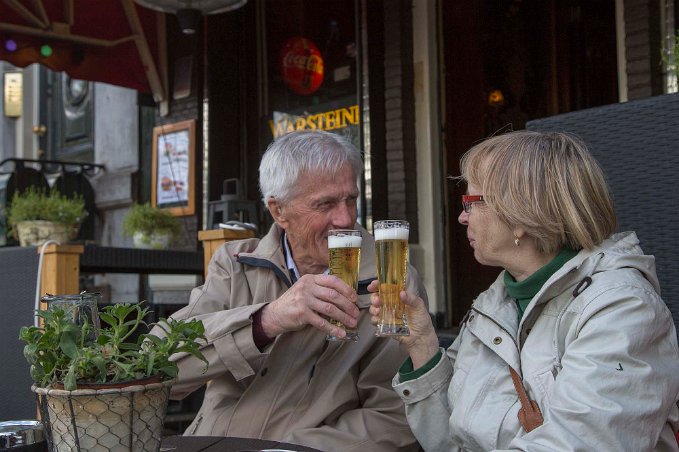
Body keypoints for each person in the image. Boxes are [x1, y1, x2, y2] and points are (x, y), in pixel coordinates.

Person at [369, 130, 679, 451]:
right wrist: (422, 345)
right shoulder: (494, 304)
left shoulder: (621, 309)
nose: (462, 217)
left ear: (520, 216)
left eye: (470, 202)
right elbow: (450, 441)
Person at [157, 130, 427, 452]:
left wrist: (290, 450)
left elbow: (395, 415)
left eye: (351, 199)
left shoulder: (390, 280)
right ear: (278, 211)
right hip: (206, 445)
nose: (345, 218)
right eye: (325, 204)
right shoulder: (236, 265)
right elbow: (159, 370)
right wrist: (264, 321)